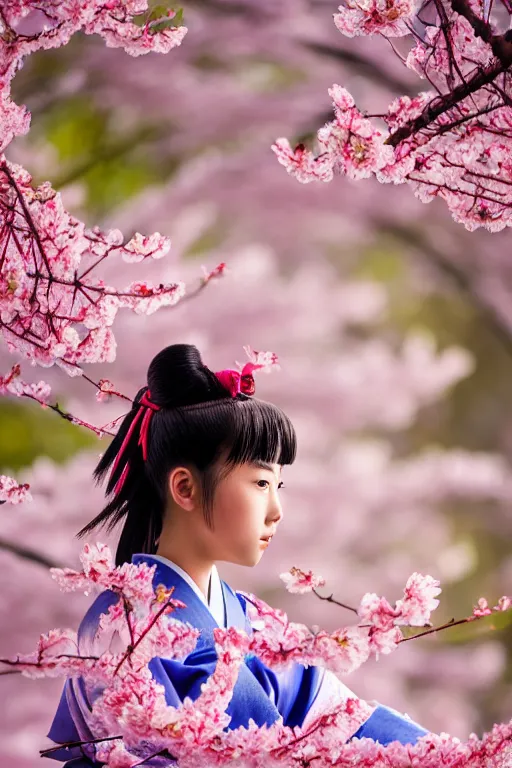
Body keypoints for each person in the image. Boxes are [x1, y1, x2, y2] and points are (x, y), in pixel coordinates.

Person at [44, 344, 428, 766]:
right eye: (261, 484)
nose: (276, 511)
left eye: (278, 487)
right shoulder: (122, 628)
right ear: (185, 488)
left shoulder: (253, 622)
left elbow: (344, 722)